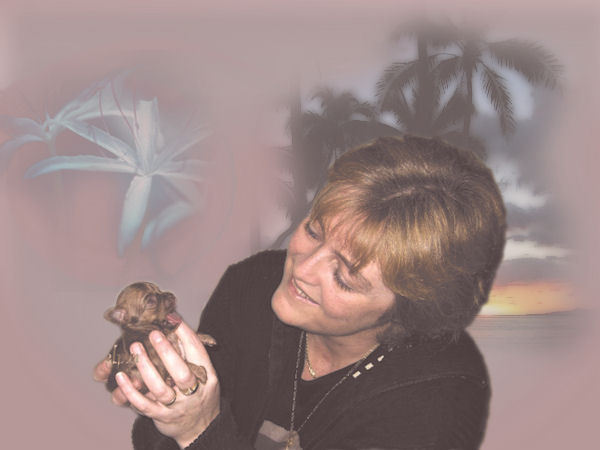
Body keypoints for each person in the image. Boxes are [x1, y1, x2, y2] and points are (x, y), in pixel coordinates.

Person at [94, 135, 506, 449]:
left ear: (411, 309)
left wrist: (199, 431)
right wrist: (158, 394)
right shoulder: (251, 285)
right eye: (313, 231)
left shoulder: (437, 404)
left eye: (344, 277)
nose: (301, 269)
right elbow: (156, 441)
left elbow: (195, 432)